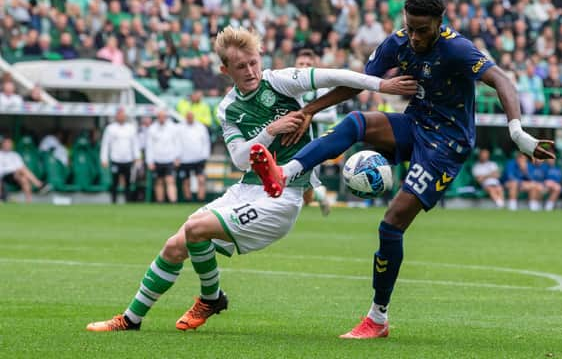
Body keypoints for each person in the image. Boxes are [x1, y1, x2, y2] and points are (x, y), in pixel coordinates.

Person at [249, 0, 554, 339]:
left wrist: (517, 132)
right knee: (355, 123)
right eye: (410, 27)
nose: (414, 36)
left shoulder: (456, 48)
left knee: (390, 225)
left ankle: (377, 318)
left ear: (439, 24)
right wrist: (308, 111)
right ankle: (283, 173)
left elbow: (500, 78)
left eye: (422, 30)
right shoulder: (399, 42)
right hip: (416, 125)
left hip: (446, 146)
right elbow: (358, 83)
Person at [86, 26, 415, 332]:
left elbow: (335, 75)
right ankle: (132, 319)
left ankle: (211, 298)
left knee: (196, 228)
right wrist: (271, 131)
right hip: (246, 189)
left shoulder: (279, 81)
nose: (250, 71)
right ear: (225, 71)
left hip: (282, 196)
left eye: (254, 63)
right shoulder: (228, 109)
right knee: (175, 246)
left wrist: (380, 85)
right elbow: (240, 158)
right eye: (240, 66)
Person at [296, 49, 336, 216]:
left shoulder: (320, 88)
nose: (304, 67)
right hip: (287, 140)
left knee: (306, 196)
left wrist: (308, 114)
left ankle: (319, 193)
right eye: (301, 64)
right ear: (295, 65)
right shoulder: (286, 85)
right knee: (301, 190)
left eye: (308, 64)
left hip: (312, 143)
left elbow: (332, 116)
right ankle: (320, 193)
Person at [100, 108, 142, 204]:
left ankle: (128, 201)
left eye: (122, 115)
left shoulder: (131, 128)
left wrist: (137, 157)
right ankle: (114, 201)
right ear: (116, 116)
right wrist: (104, 158)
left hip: (128, 159)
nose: (121, 117)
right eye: (119, 115)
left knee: (127, 182)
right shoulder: (110, 128)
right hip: (115, 159)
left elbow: (135, 144)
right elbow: (105, 144)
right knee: (114, 182)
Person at [146, 109, 181, 203]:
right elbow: (149, 146)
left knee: (170, 180)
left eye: (163, 116)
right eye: (159, 116)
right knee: (159, 181)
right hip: (157, 159)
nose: (161, 118)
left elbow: (177, 143)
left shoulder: (173, 127)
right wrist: (150, 161)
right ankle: (160, 201)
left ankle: (173, 201)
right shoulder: (152, 128)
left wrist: (177, 157)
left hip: (170, 158)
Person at [0, 138, 47, 203]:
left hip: (16, 175)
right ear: (2, 145)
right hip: (4, 176)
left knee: (24, 179)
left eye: (9, 144)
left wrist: (16, 172)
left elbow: (21, 166)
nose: (8, 146)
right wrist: (14, 170)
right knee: (22, 169)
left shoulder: (15, 155)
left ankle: (28, 201)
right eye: (6, 144)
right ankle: (39, 184)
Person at [177, 111, 210, 202]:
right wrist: (177, 157)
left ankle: (201, 199)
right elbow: (176, 143)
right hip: (184, 159)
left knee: (201, 180)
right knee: (186, 181)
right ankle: (188, 199)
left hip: (199, 158)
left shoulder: (201, 127)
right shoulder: (180, 127)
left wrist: (205, 155)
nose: (189, 118)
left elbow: (206, 142)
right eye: (188, 117)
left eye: (191, 116)